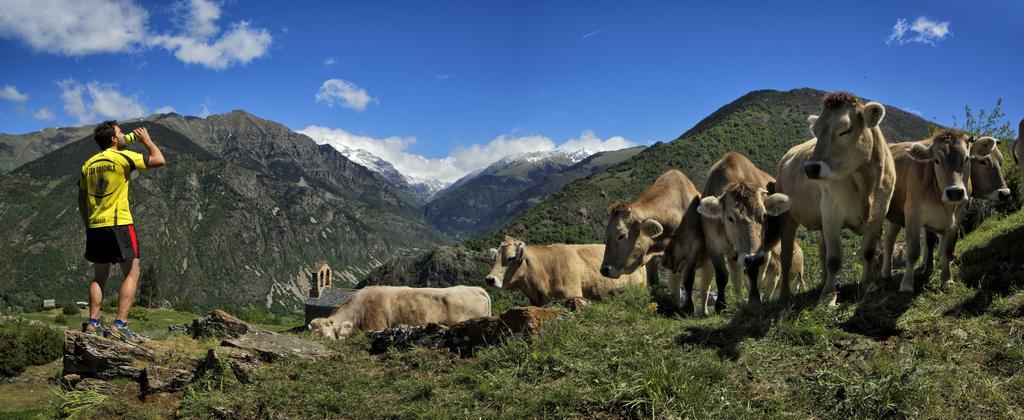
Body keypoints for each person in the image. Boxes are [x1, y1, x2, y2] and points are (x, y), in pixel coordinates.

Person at [77, 120, 165, 342]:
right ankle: (120, 324)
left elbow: (81, 198)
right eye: (120, 133)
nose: (125, 135)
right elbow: (159, 160)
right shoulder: (123, 157)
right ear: (114, 139)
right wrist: (146, 140)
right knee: (132, 272)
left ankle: (93, 324)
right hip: (120, 224)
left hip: (96, 226)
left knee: (99, 276)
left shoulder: (88, 164)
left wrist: (88, 223)